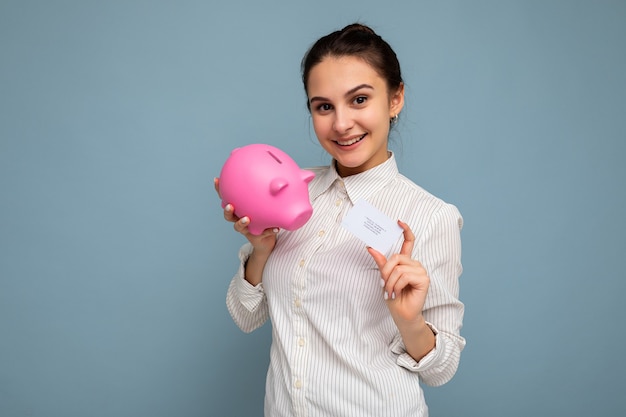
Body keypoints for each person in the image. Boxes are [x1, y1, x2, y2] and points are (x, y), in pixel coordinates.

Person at [216, 23, 465, 417]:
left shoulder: (431, 216)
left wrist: (410, 321)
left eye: (360, 99)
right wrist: (261, 250)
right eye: (324, 106)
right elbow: (246, 316)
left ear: (395, 99)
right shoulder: (292, 190)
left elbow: (442, 369)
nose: (341, 124)